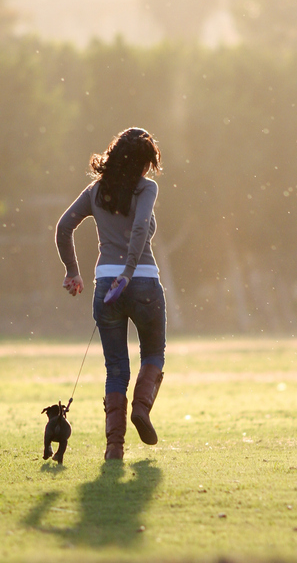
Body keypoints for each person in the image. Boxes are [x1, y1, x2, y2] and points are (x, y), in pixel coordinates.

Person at [56, 127, 166, 461]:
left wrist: (73, 271)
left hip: (105, 285)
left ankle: (114, 448)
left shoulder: (95, 191)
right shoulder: (146, 189)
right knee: (153, 354)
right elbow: (139, 226)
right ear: (143, 163)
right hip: (144, 281)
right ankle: (142, 410)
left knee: (116, 368)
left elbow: (63, 227)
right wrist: (129, 273)